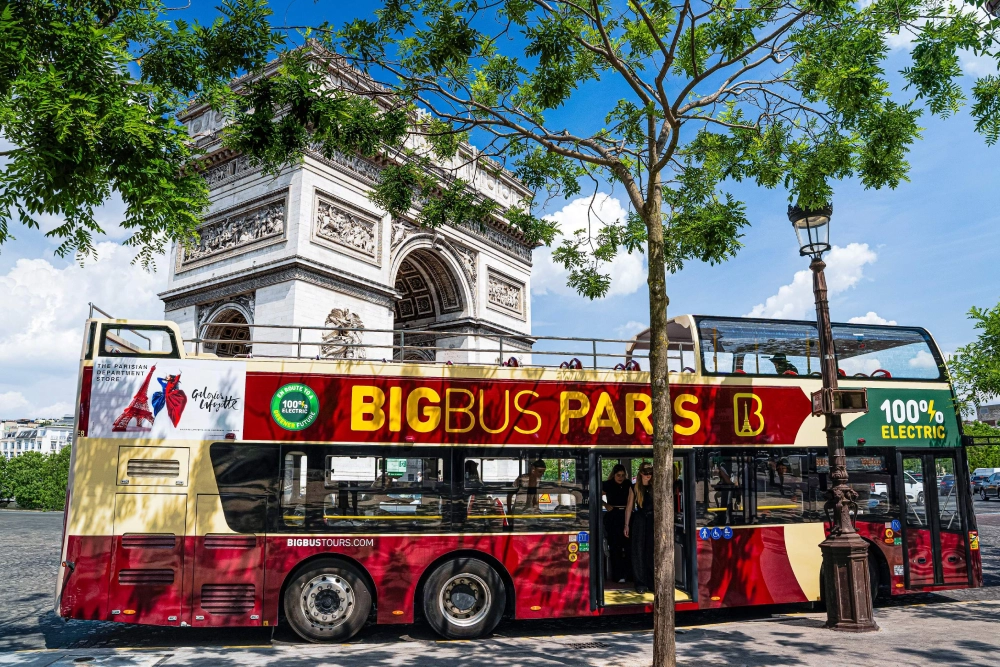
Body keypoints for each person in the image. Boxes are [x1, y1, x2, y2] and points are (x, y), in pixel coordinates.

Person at [624, 462, 654, 593]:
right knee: (638, 550)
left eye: (651, 473)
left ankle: (651, 582)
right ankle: (640, 583)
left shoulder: (655, 486)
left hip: (653, 519)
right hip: (640, 519)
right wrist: (626, 525)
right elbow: (629, 507)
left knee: (651, 551)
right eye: (646, 473)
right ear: (641, 473)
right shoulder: (634, 487)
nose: (649, 475)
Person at [602, 464, 632, 583]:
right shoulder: (607, 484)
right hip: (613, 515)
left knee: (628, 547)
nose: (620, 477)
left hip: (627, 515)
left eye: (623, 475)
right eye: (618, 475)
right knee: (615, 547)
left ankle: (629, 575)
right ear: (614, 475)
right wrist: (605, 504)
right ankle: (617, 575)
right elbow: (594, 494)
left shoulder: (628, 484)